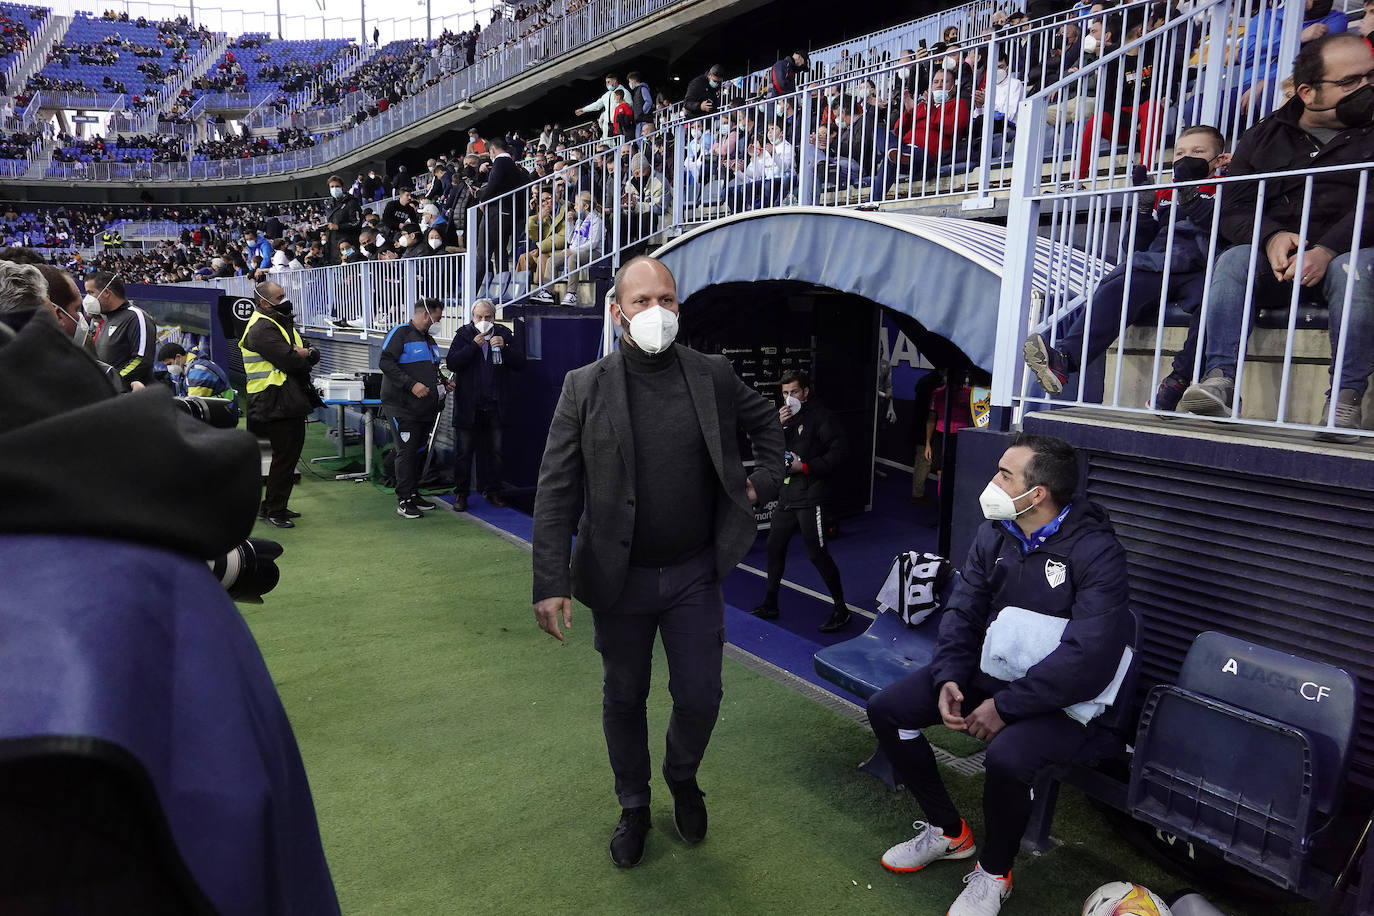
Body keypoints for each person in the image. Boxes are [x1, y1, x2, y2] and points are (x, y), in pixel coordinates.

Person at [531, 255, 784, 869]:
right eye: (641, 301)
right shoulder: (584, 386)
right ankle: (634, 803)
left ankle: (682, 777)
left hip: (696, 572)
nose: (656, 312)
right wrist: (550, 582)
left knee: (700, 695)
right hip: (619, 581)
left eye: (666, 299)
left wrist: (764, 483)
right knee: (625, 695)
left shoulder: (714, 374)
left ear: (679, 305)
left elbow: (768, 426)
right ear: (618, 312)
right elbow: (556, 488)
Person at [866, 434, 1131, 916]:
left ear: (1039, 494)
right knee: (888, 709)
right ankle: (949, 833)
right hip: (994, 675)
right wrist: (948, 674)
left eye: (1005, 475)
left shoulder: (1098, 553)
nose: (992, 482)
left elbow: (1089, 658)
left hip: (1066, 701)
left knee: (1008, 758)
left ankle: (994, 873)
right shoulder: (996, 532)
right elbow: (963, 612)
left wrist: (1005, 707)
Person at [1178, 34, 1374, 441]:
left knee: (1352, 267)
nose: (1367, 88)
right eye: (1351, 81)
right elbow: (1232, 208)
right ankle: (1220, 380)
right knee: (1234, 260)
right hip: (1280, 265)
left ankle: (1345, 397)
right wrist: (1270, 237)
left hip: (1349, 258)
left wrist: (1328, 248)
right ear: (1308, 92)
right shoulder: (1264, 135)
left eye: (1371, 76)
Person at [1023, 126, 1231, 410]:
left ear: (1219, 160)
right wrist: (1144, 211)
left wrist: (1192, 195)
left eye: (1198, 152)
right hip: (1161, 265)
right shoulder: (1165, 193)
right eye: (1180, 153)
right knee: (1120, 283)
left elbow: (1224, 229)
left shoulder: (1229, 186)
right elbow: (1135, 247)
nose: (1187, 158)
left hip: (1202, 267)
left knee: (1215, 304)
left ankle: (1178, 381)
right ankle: (1064, 360)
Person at [751, 369, 851, 632]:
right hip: (788, 495)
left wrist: (806, 467)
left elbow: (840, 452)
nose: (789, 397)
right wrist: (776, 426)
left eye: (794, 391)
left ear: (805, 392)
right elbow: (769, 451)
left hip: (812, 494)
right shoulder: (783, 418)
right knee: (774, 547)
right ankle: (770, 603)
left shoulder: (822, 417)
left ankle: (842, 610)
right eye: (785, 393)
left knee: (817, 554)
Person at [241, 281, 321, 528]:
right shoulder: (261, 328)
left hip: (283, 398)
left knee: (286, 456)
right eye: (280, 297)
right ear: (264, 302)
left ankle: (274, 506)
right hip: (274, 400)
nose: (285, 300)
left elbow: (309, 351)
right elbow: (292, 361)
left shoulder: (278, 322)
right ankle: (274, 509)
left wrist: (305, 353)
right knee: (284, 457)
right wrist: (304, 355)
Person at [445, 298, 525, 511]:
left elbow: (520, 363)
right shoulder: (463, 335)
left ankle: (493, 491)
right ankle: (461, 495)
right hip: (468, 405)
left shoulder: (504, 334)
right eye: (479, 317)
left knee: (496, 452)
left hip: (496, 405)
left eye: (487, 317)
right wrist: (473, 346)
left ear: (494, 316)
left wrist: (504, 349)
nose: (483, 321)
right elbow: (452, 362)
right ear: (473, 318)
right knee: (463, 453)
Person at [379, 298, 451, 519]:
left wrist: (443, 382)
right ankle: (404, 499)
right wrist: (411, 385)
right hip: (402, 407)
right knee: (406, 452)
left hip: (425, 408)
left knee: (418, 450)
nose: (437, 322)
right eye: (437, 318)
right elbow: (385, 362)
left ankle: (413, 492)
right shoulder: (400, 333)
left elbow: (431, 369)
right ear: (425, 315)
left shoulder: (429, 340)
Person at [86, 271, 155, 392]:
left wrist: (113, 381)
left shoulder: (135, 316)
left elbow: (142, 359)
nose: (87, 298)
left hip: (131, 397)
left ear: (106, 292)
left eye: (91, 293)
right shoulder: (106, 320)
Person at [157, 341, 239, 422]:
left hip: (223, 414)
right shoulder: (187, 368)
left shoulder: (198, 370)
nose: (169, 368)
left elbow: (192, 405)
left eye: (169, 364)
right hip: (216, 411)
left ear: (178, 357)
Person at [324, 174, 362, 265]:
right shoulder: (329, 205)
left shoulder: (351, 202)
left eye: (337, 186)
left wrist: (338, 227)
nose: (334, 189)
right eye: (332, 187)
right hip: (332, 247)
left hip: (348, 245)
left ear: (342, 187)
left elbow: (357, 222)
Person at [576, 74, 622, 139]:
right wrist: (584, 109)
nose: (606, 84)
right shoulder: (606, 95)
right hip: (607, 126)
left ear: (615, 81)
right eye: (606, 82)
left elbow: (629, 106)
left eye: (608, 82)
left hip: (618, 124)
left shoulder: (624, 92)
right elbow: (597, 105)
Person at [626, 71, 654, 138]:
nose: (629, 83)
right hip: (639, 120)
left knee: (642, 141)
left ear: (634, 80)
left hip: (644, 121)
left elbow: (648, 101)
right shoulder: (636, 91)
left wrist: (642, 112)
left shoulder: (642, 89)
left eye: (630, 81)